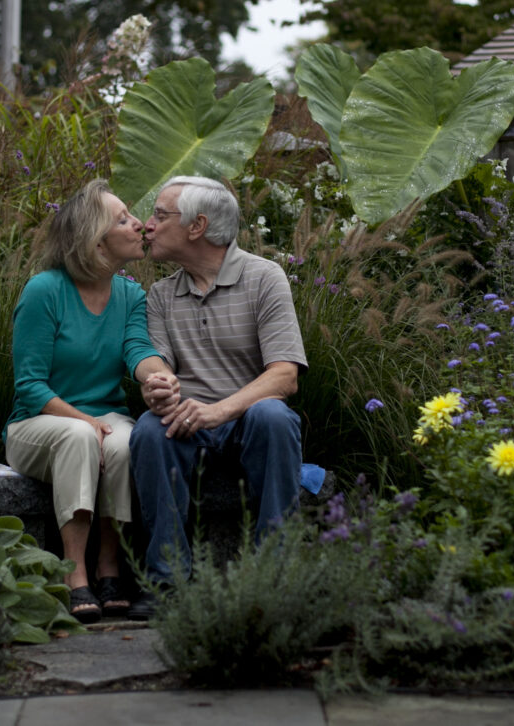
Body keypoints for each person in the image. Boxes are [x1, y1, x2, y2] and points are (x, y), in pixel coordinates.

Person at [127, 175, 307, 621]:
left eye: (160, 215)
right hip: (188, 424)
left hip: (244, 419)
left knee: (274, 415)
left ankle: (273, 575)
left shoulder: (265, 277)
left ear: (197, 226)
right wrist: (159, 387)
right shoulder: (162, 295)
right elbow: (158, 364)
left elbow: (284, 376)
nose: (147, 225)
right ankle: (167, 579)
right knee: (149, 430)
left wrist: (219, 410)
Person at [3, 179, 179, 624]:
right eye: (123, 219)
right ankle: (73, 573)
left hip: (103, 419)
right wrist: (87, 421)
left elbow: (138, 349)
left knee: (126, 441)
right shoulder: (44, 291)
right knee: (83, 436)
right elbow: (30, 387)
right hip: (37, 424)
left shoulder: (129, 294)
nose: (139, 223)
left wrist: (158, 376)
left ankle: (110, 566)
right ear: (94, 239)